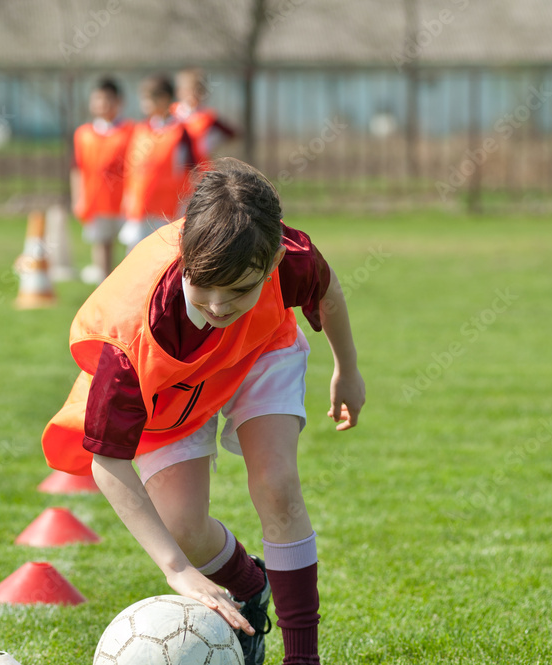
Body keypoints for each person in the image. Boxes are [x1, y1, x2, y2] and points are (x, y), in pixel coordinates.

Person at [42, 157, 365, 665]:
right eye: (204, 285)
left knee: (277, 485)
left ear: (275, 259)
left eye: (239, 290)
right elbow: (107, 461)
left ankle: (303, 658)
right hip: (171, 398)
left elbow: (327, 292)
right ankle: (250, 584)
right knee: (182, 529)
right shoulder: (128, 335)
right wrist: (176, 569)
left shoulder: (289, 257)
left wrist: (347, 369)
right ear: (185, 254)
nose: (218, 305)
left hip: (260, 351)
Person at [118, 74, 197, 252]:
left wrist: (184, 201)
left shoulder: (179, 131)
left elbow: (189, 168)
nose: (143, 104)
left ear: (164, 99)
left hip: (167, 207)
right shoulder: (140, 129)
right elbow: (131, 167)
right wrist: (128, 195)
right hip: (141, 205)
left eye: (148, 99)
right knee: (135, 251)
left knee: (165, 251)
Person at [71, 77, 135, 285]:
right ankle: (104, 288)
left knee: (131, 247)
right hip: (97, 201)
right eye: (97, 99)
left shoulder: (131, 131)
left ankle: (128, 288)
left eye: (107, 99)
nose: (102, 104)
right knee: (101, 246)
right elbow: (77, 168)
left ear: (118, 101)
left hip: (125, 203)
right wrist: (77, 198)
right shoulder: (84, 134)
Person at [172, 67, 237, 163]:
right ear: (179, 91)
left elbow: (231, 133)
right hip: (174, 171)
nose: (195, 94)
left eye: (199, 90)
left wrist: (209, 143)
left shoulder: (208, 117)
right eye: (190, 89)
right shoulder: (172, 113)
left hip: (199, 170)